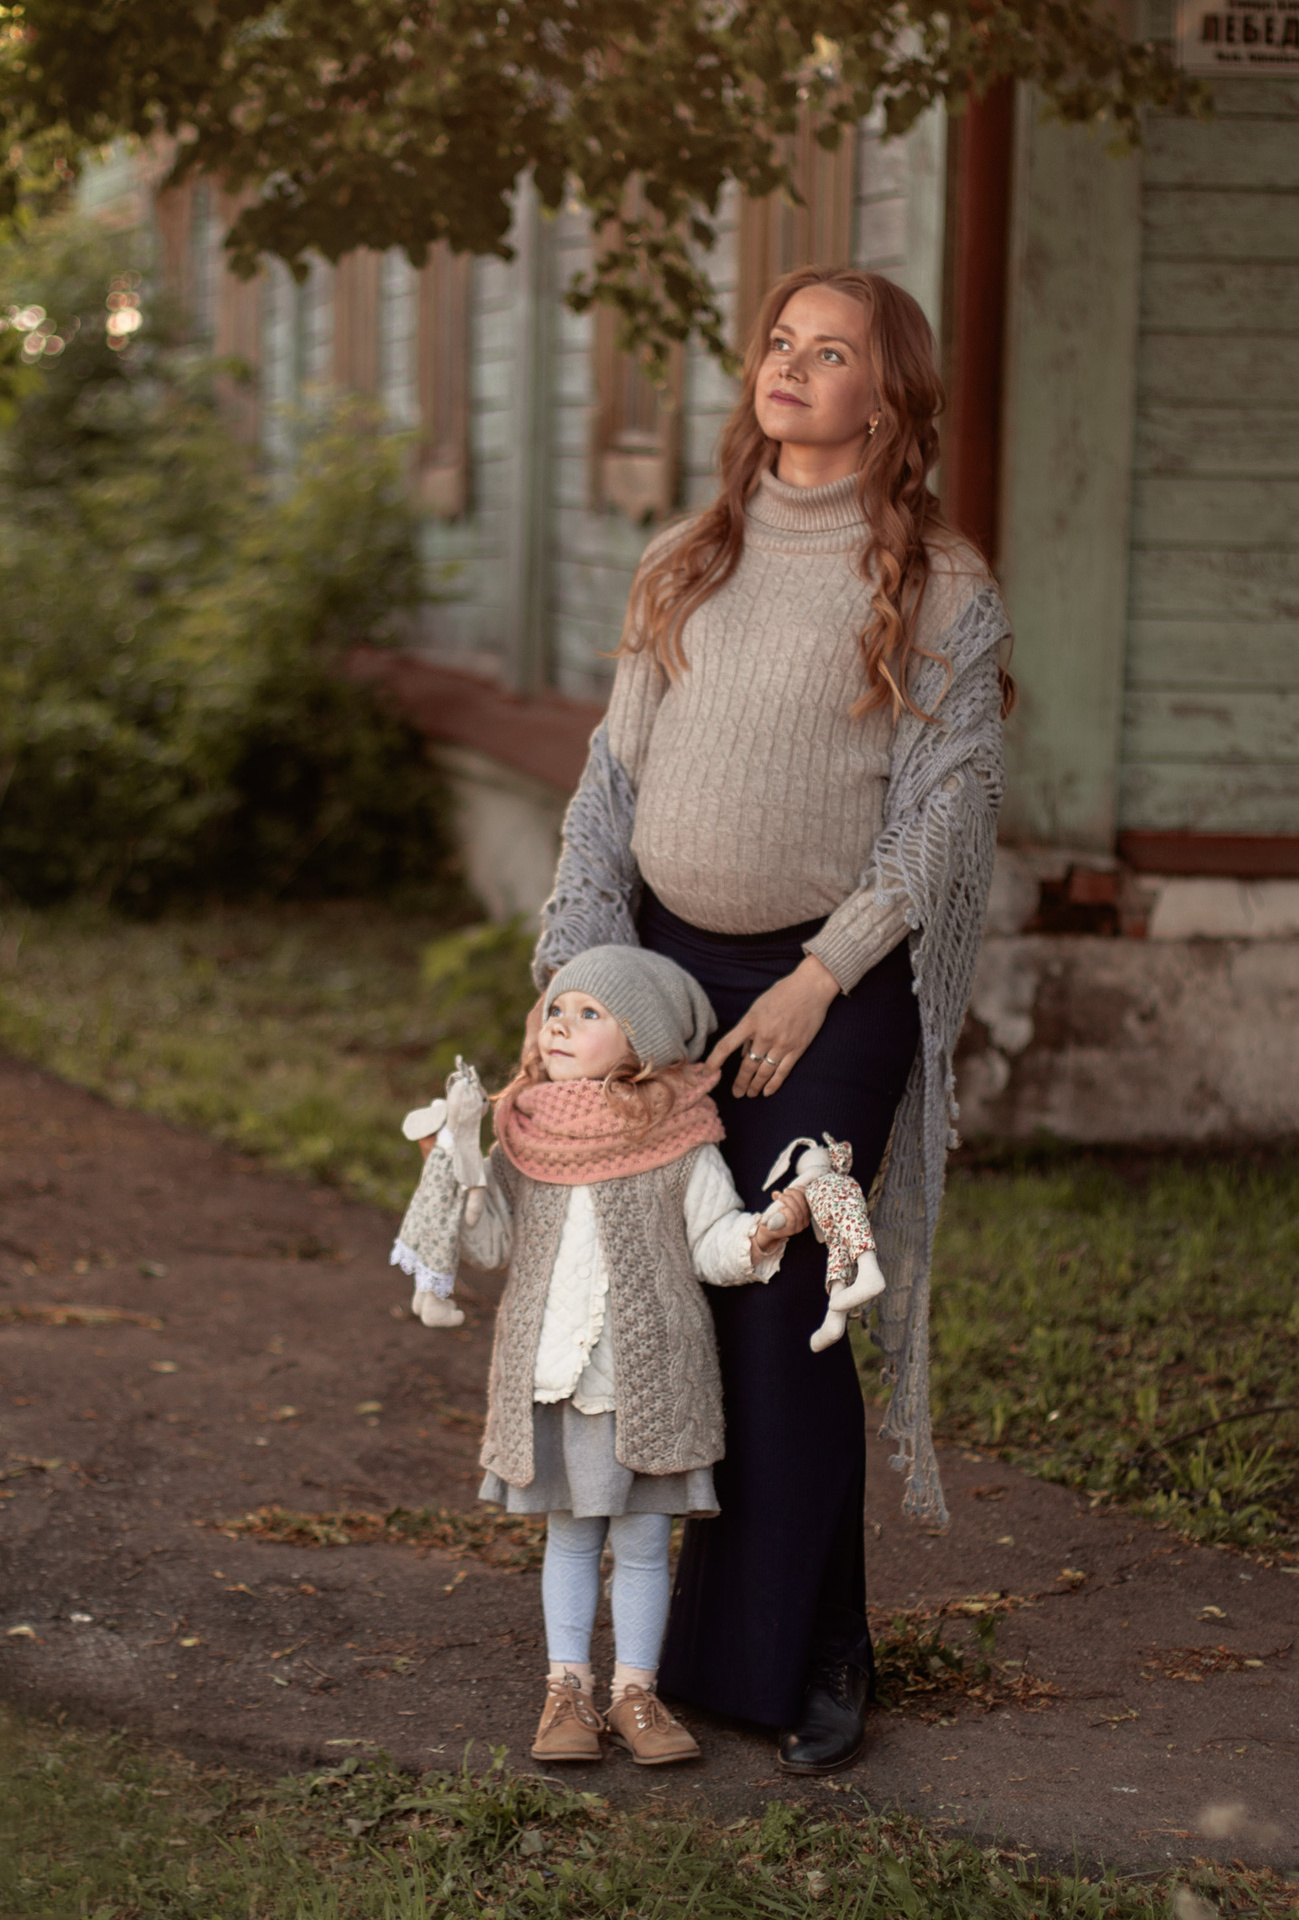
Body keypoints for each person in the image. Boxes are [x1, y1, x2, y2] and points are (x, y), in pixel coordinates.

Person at [533, 264, 1013, 1773]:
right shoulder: (686, 559)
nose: (790, 366)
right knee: (658, 1298)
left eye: (833, 351)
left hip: (834, 990)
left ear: (891, 396)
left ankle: (815, 1661)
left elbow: (937, 824)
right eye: (778, 343)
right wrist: (585, 979)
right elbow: (613, 788)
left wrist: (823, 974)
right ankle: (707, 1652)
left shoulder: (943, 586)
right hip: (667, 975)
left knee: (786, 1306)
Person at [389, 945, 806, 1765]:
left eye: (590, 1015)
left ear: (641, 1042)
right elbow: (493, 1243)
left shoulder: (683, 1142)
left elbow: (711, 1245)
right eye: (556, 1010)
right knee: (573, 1539)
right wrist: (461, 1172)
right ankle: (567, 1691)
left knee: (645, 1545)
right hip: (555, 1380)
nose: (562, 1027)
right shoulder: (526, 1133)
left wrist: (764, 1230)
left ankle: (635, 1694)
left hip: (647, 1382)